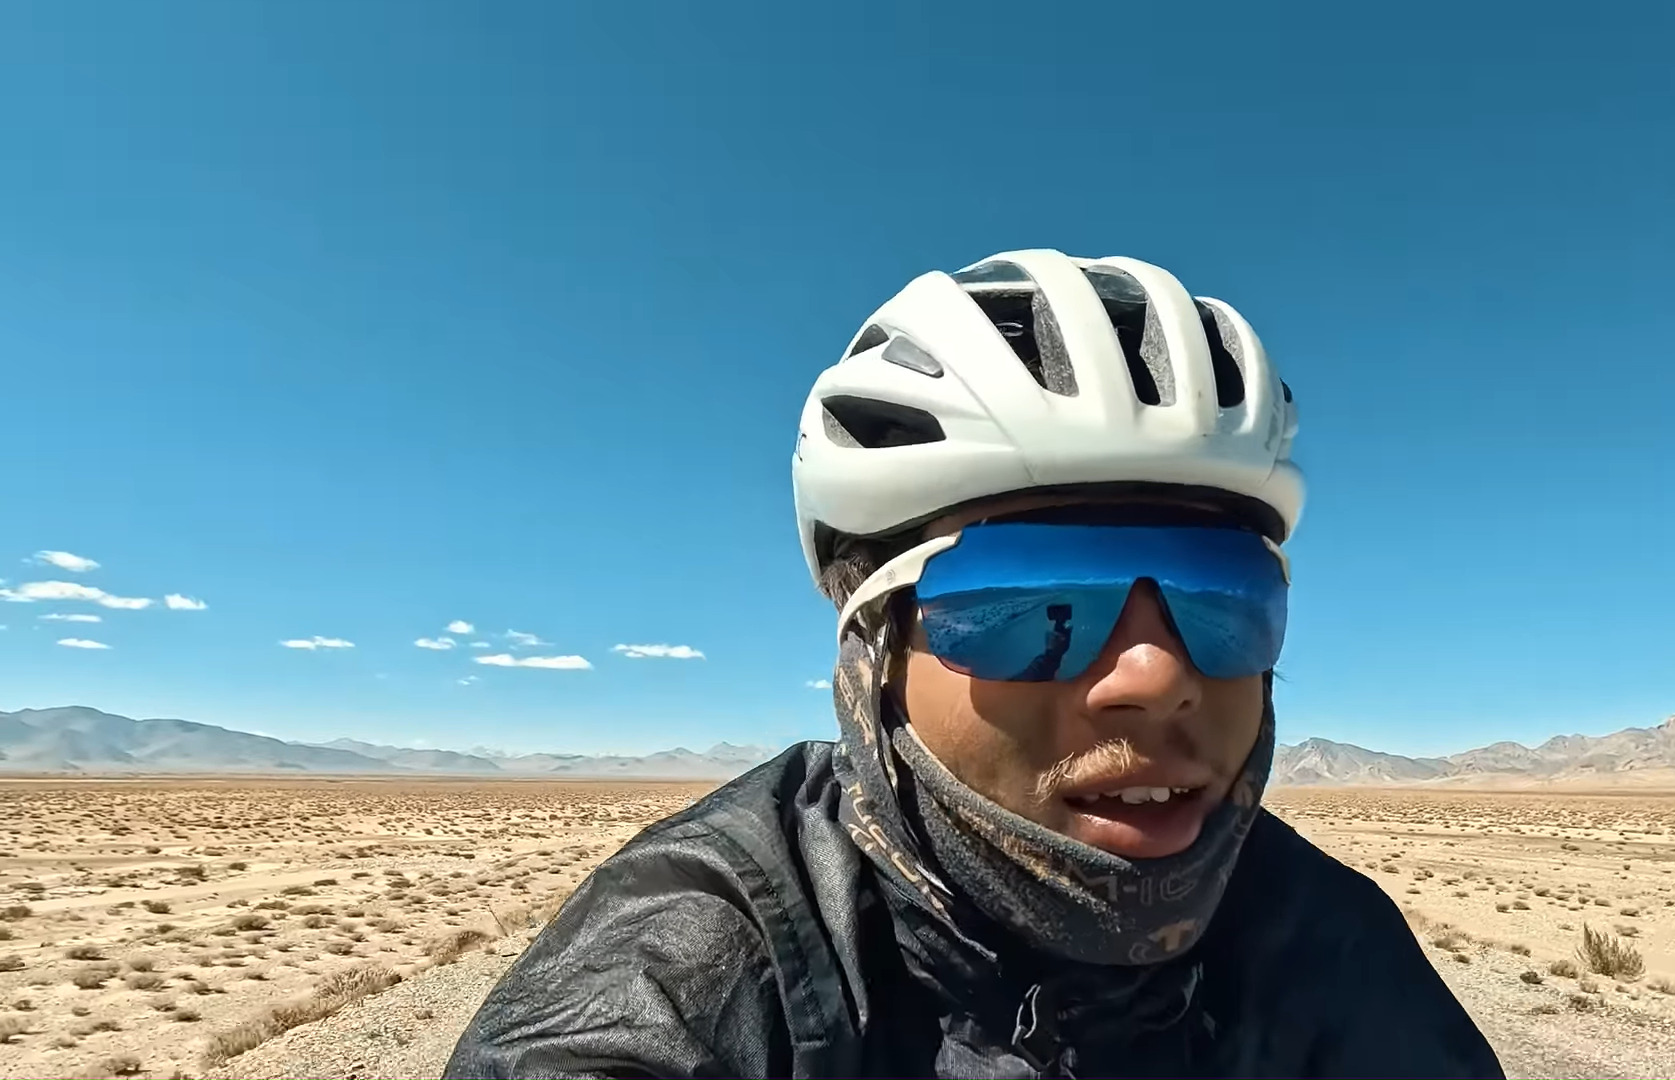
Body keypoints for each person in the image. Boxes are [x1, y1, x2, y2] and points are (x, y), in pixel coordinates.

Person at [444, 250, 1504, 1079]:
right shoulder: (716, 949)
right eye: (1032, 603)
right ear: (876, 655)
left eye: (1220, 601)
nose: (1153, 674)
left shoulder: (1325, 946)